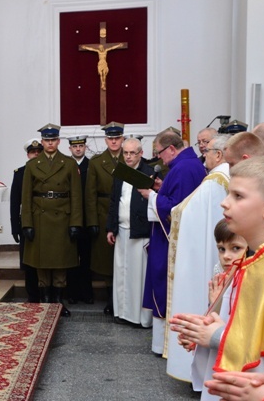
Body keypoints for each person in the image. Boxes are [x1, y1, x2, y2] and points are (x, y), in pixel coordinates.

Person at [171, 156, 264, 400]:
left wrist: (217, 336)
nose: (224, 203)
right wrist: (205, 333)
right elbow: (247, 329)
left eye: (238, 196)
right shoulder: (250, 262)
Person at [165, 134, 230, 382]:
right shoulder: (223, 177)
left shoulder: (216, 181)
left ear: (219, 154)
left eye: (208, 150)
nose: (204, 154)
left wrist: (165, 205)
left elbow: (184, 211)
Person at [138, 130, 206, 354]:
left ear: (171, 149)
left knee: (162, 282)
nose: (160, 159)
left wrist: (152, 197)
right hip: (174, 238)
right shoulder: (187, 165)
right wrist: (160, 189)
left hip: (170, 241)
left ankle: (164, 345)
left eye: (160, 154)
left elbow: (177, 209)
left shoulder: (183, 168)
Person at [177, 219, 248, 398]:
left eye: (236, 249)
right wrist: (196, 336)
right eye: (221, 249)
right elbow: (216, 315)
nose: (226, 256)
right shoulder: (222, 273)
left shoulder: (248, 277)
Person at [21, 123, 82, 317]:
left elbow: (76, 196)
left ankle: (58, 301)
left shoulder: (69, 163)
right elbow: (26, 197)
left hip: (62, 218)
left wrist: (75, 223)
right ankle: (45, 299)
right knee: (42, 262)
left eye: (53, 140)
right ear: (42, 142)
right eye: (47, 140)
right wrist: (27, 223)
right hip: (40, 218)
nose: (50, 143)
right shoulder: (32, 166)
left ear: (58, 141)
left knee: (60, 261)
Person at [105, 137, 154, 327]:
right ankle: (122, 313)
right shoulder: (120, 172)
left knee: (137, 277)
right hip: (122, 231)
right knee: (121, 274)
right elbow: (114, 201)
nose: (128, 156)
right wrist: (111, 227)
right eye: (125, 153)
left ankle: (138, 317)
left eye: (132, 153)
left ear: (141, 153)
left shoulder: (148, 174)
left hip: (139, 232)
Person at [86, 121, 125, 315]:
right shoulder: (96, 162)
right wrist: (92, 221)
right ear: (106, 140)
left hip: (125, 213)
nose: (114, 141)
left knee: (126, 258)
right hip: (103, 214)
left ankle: (124, 300)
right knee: (107, 261)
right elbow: (90, 195)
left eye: (117, 138)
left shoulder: (129, 159)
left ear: (122, 139)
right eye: (110, 138)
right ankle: (110, 300)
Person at [10, 138, 43, 303]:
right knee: (28, 261)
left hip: (44, 222)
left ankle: (45, 293)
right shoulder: (20, 173)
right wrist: (15, 227)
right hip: (26, 223)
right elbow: (15, 202)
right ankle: (32, 295)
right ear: (28, 154)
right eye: (32, 152)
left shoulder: (47, 171)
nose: (36, 155)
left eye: (39, 152)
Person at [66, 134, 94, 305]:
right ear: (70, 148)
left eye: (81, 146)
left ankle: (87, 292)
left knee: (86, 257)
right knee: (70, 258)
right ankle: (72, 293)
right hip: (69, 218)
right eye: (74, 147)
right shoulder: (65, 165)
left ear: (85, 148)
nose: (78, 149)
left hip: (86, 218)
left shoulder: (91, 166)